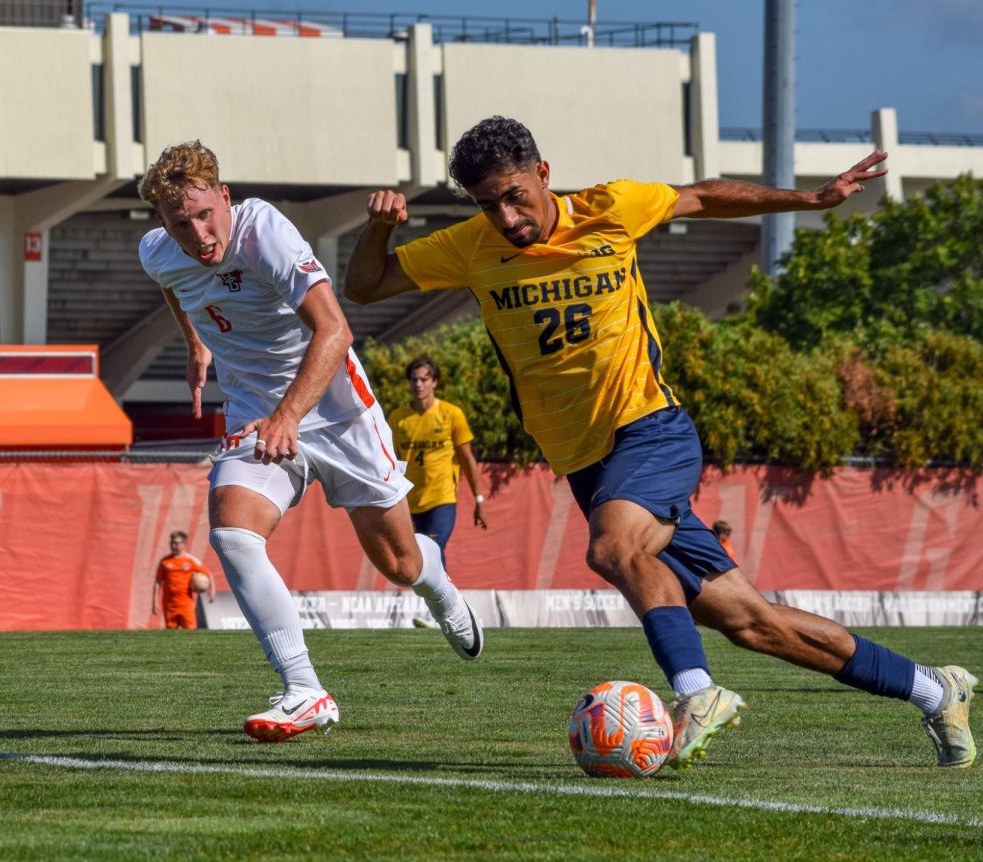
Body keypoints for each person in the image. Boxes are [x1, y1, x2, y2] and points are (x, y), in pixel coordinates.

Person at [343, 115, 976, 770]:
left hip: (650, 428)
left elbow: (702, 196)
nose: (504, 216)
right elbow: (363, 285)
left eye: (513, 195)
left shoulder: (610, 209)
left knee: (613, 547)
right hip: (588, 465)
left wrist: (811, 200)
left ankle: (698, 694)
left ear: (543, 175)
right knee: (752, 622)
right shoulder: (470, 246)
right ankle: (936, 689)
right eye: (487, 204)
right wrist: (380, 227)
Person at [137, 140, 482, 744]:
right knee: (232, 533)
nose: (196, 234)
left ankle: (440, 585)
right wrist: (194, 343)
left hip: (337, 409)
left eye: (203, 214)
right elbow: (172, 282)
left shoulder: (263, 228)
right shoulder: (158, 252)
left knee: (399, 564)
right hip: (255, 413)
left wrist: (289, 417)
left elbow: (334, 328)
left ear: (225, 197)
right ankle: (305, 689)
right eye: (178, 223)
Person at [387, 356, 487, 566]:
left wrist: (479, 499)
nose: (419, 384)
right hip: (410, 502)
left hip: (442, 499)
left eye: (424, 379)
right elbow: (391, 462)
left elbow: (467, 459)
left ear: (435, 382)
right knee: (418, 561)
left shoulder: (451, 414)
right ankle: (436, 598)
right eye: (414, 380)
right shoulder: (398, 418)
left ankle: (447, 598)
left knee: (433, 548)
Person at [153, 530, 215, 630]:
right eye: (172, 543)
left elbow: (209, 574)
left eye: (176, 543)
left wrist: (212, 591)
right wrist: (154, 602)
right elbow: (157, 582)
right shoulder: (165, 561)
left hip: (185, 602)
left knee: (190, 630)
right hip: (169, 603)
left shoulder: (190, 560)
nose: (173, 546)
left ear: (184, 544)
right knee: (171, 632)